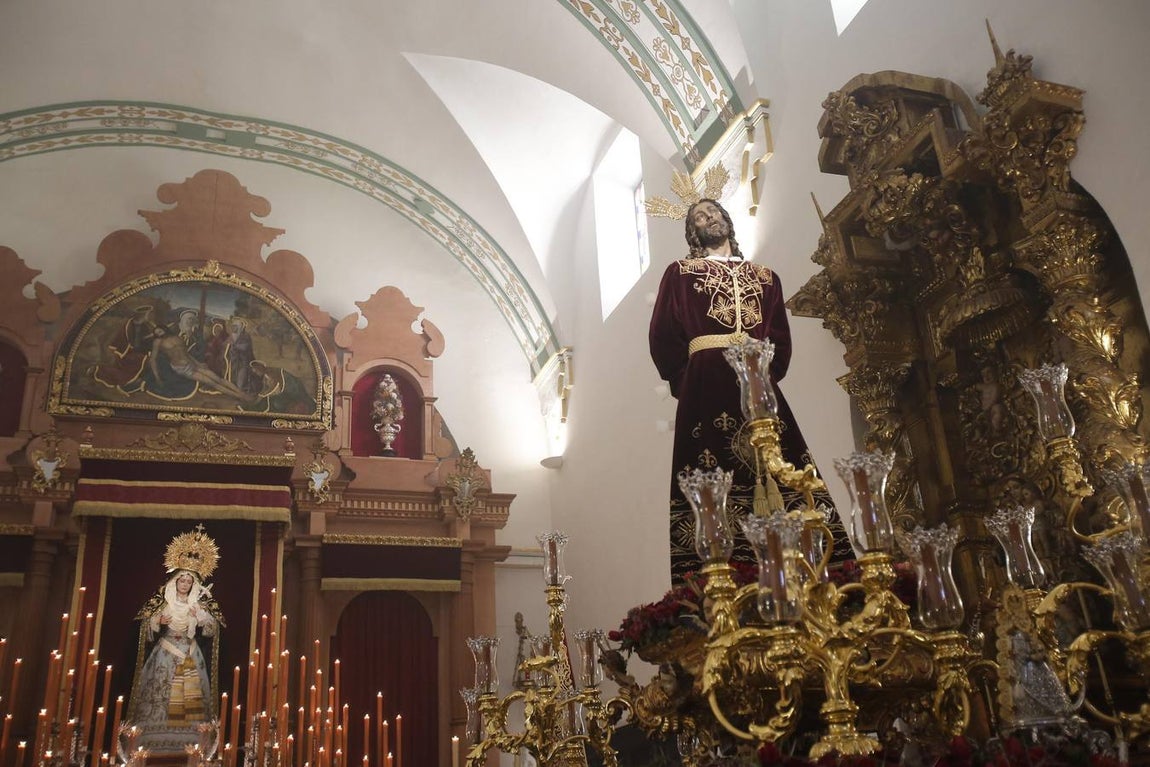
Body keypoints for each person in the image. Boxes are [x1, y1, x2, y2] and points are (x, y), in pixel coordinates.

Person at [649, 198, 846, 584]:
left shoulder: (765, 277)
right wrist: (691, 378)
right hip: (705, 387)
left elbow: (780, 340)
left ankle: (810, 566)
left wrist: (764, 375)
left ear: (726, 219)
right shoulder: (680, 273)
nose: (709, 218)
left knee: (782, 462)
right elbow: (662, 335)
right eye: (699, 217)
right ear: (693, 232)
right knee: (711, 467)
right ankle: (718, 572)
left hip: (758, 384)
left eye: (713, 212)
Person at [128, 567, 225, 750]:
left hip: (190, 651)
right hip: (166, 650)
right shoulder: (164, 602)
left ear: (193, 585)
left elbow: (212, 629)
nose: (185, 585)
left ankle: (191, 739)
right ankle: (156, 736)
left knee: (189, 692)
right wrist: (158, 621)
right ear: (175, 582)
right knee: (163, 687)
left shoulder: (197, 603)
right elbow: (146, 624)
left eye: (189, 582)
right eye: (182, 581)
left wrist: (201, 617)